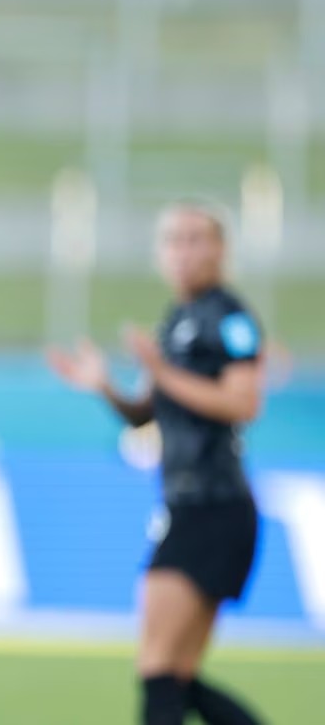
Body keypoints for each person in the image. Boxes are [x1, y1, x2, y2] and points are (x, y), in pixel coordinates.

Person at [48, 201, 264, 725]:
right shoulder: (178, 321)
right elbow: (147, 415)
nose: (184, 251)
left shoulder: (230, 318)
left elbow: (243, 403)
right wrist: (105, 387)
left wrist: (161, 372)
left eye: (196, 239)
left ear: (220, 249)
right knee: (175, 675)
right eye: (173, 240)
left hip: (213, 504)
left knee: (158, 671)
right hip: (192, 505)